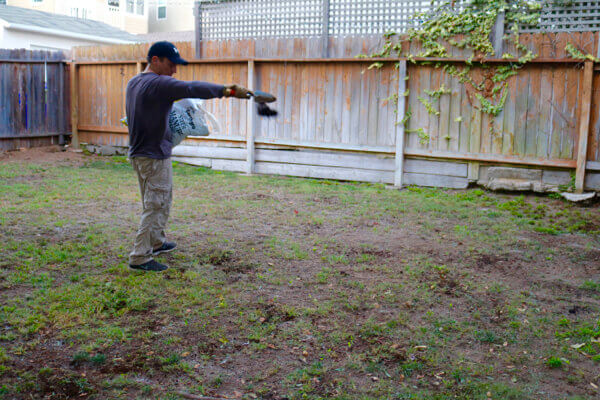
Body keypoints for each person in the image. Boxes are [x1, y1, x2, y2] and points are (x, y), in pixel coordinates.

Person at [126, 41, 249, 271]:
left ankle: (157, 241)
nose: (174, 70)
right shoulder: (158, 83)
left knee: (161, 200)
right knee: (155, 204)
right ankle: (140, 257)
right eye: (171, 64)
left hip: (143, 153)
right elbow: (191, 88)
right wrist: (226, 90)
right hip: (152, 156)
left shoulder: (135, 82)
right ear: (155, 60)